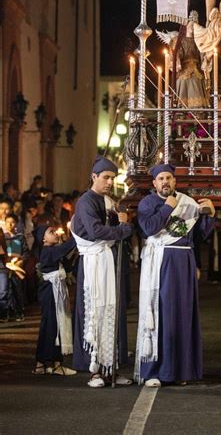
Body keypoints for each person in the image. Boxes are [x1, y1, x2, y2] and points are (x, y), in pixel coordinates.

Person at [134, 163, 215, 387]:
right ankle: (154, 371)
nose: (165, 182)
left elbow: (201, 234)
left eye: (168, 178)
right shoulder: (148, 203)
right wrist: (168, 207)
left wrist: (210, 214)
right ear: (154, 183)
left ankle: (181, 370)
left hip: (184, 261)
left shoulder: (187, 202)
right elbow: (149, 228)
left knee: (182, 313)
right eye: (160, 179)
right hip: (160, 262)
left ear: (175, 181)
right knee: (160, 311)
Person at [71, 156, 134, 387]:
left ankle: (110, 368)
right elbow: (96, 231)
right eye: (105, 177)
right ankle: (94, 370)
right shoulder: (86, 201)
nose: (109, 182)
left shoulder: (107, 200)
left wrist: (121, 222)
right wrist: (124, 228)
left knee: (110, 311)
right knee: (95, 311)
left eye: (112, 178)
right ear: (94, 176)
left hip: (106, 260)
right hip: (94, 264)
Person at [32, 225, 76, 376]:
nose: (55, 233)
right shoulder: (47, 251)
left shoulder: (52, 252)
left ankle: (43, 364)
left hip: (54, 291)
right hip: (50, 292)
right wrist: (76, 234)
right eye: (51, 232)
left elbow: (68, 264)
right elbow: (63, 250)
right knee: (52, 325)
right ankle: (53, 364)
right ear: (43, 239)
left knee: (53, 325)